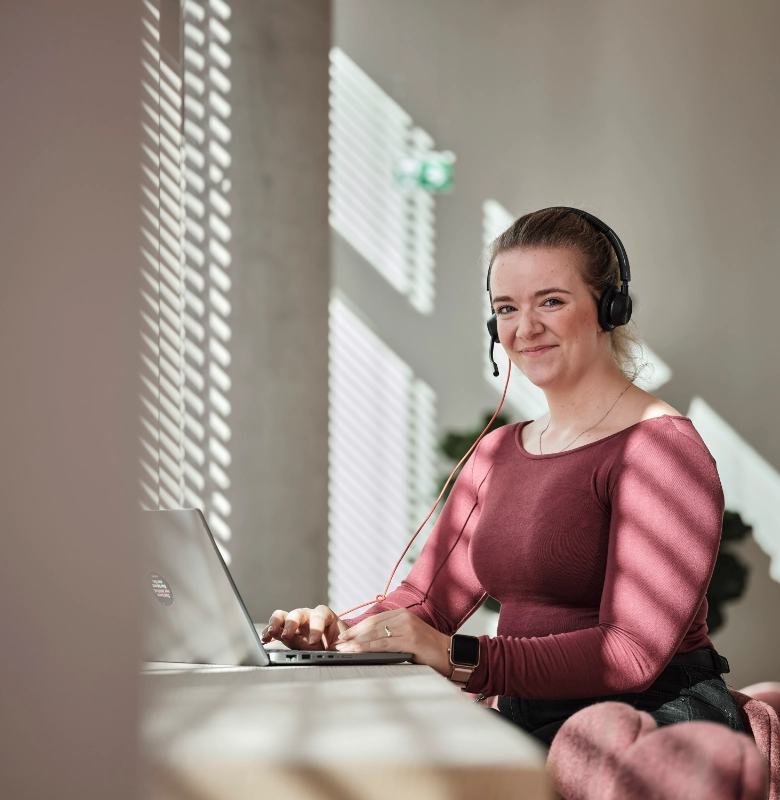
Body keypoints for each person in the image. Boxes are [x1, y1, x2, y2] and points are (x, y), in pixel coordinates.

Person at [262, 207, 743, 746]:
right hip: (529, 714)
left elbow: (629, 654)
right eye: (506, 308)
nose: (526, 328)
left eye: (551, 301)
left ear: (610, 308)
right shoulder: (497, 451)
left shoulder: (660, 450)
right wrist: (342, 637)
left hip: (649, 721)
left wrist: (457, 656)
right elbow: (428, 604)